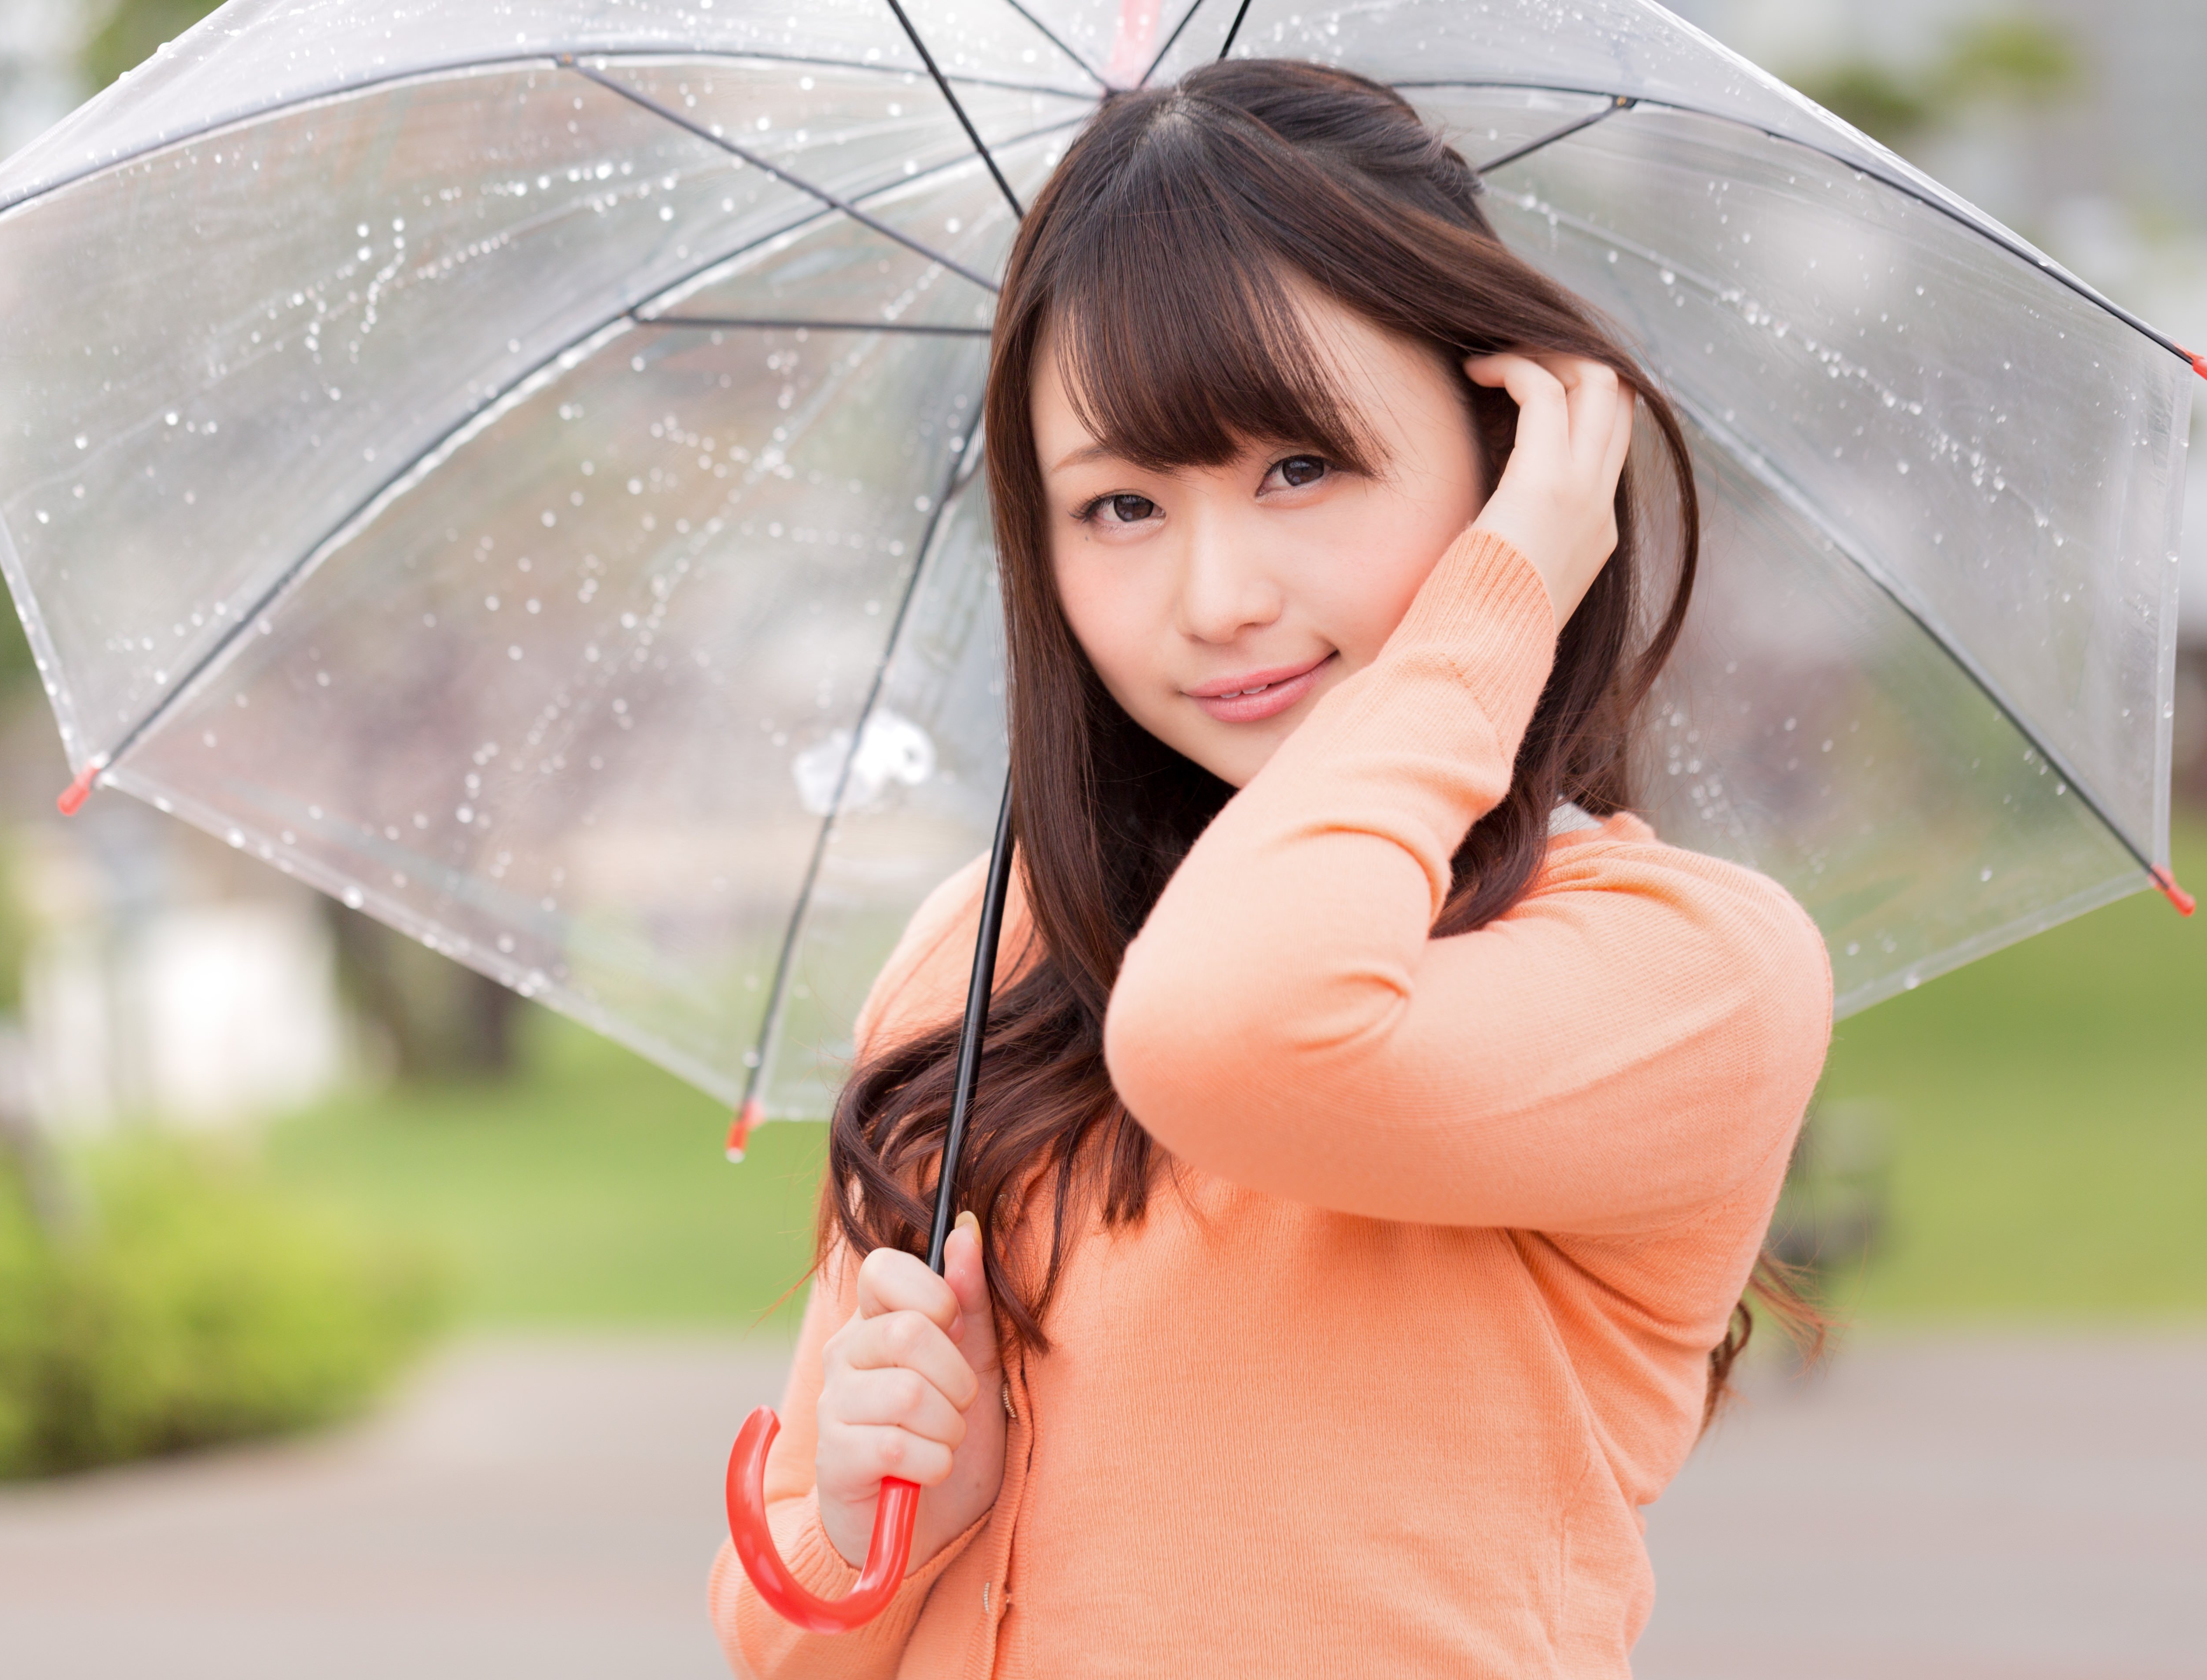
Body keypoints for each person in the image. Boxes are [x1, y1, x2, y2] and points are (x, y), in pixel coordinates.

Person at [709, 59, 1832, 1679]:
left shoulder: (1689, 971)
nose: (1216, 594)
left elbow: (1224, 1031)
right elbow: (781, 1645)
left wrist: (1496, 607)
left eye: (1299, 468)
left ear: (1510, 455)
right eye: (1117, 505)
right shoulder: (987, 950)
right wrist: (892, 1511)